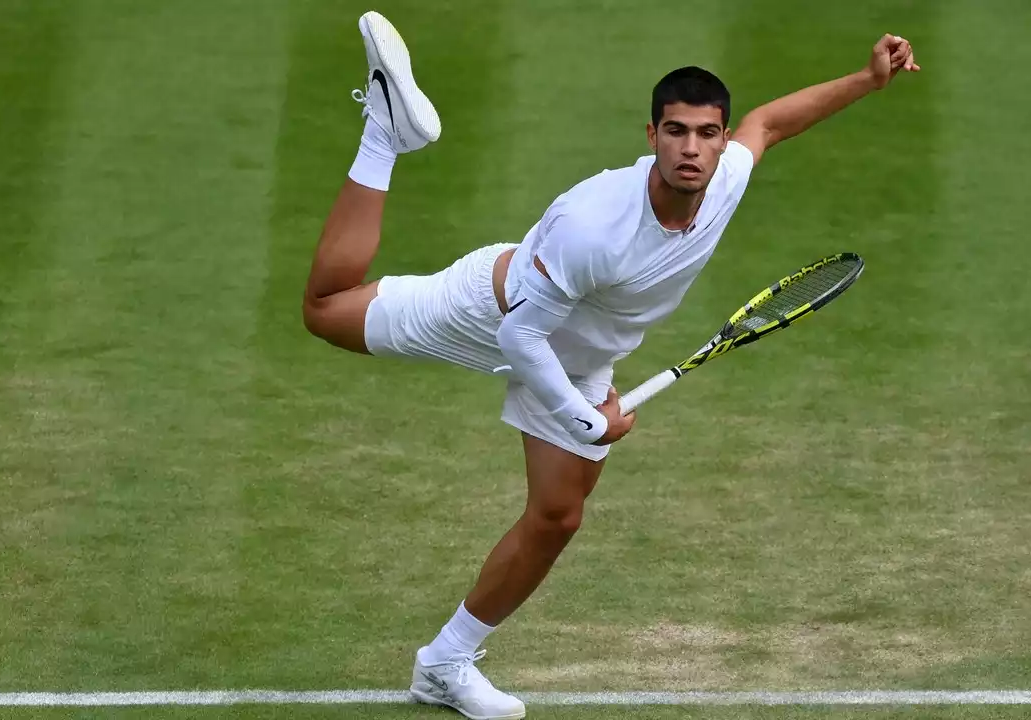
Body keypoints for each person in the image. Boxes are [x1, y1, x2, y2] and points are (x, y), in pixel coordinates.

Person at [302, 10, 919, 719]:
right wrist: (580, 418)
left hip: (582, 355)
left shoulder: (725, 181)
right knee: (325, 309)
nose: (692, 149)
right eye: (676, 131)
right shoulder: (593, 226)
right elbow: (519, 341)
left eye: (707, 133)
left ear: (719, 140)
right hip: (495, 313)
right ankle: (384, 132)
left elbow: (772, 122)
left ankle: (444, 664)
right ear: (651, 134)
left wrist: (870, 80)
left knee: (559, 515)